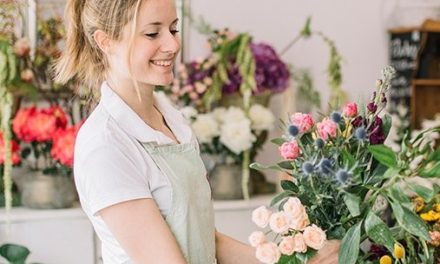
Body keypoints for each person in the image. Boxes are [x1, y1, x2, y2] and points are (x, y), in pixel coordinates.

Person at [55, 0, 339, 263]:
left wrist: (292, 261)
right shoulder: (105, 146)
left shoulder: (171, 121)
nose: (171, 44)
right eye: (152, 34)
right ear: (105, 41)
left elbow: (206, 240)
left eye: (173, 28)